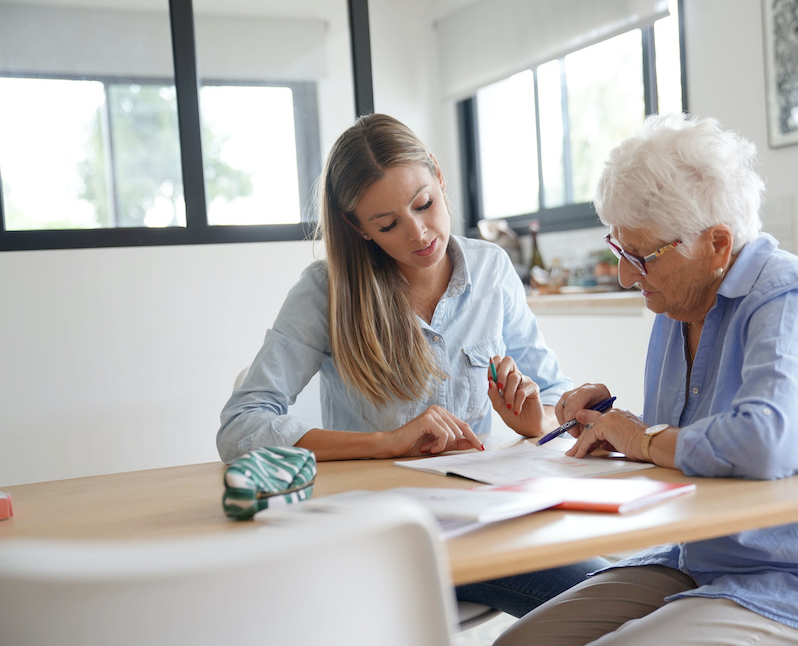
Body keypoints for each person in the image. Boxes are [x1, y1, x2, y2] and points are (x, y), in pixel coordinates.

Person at [495, 114, 798, 645]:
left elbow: (764, 443)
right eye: (618, 250)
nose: (625, 276)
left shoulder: (791, 295)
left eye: (640, 257)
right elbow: (685, 437)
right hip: (706, 556)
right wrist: (613, 424)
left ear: (717, 245)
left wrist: (642, 438)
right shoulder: (674, 309)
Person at [217, 112, 606, 616]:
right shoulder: (325, 292)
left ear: (439, 178)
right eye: (388, 224)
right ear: (359, 228)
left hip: (481, 526)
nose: (420, 233)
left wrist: (536, 418)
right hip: (375, 539)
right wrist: (384, 444)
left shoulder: (490, 269)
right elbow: (240, 425)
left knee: (617, 594)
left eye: (425, 203)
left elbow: (558, 395)